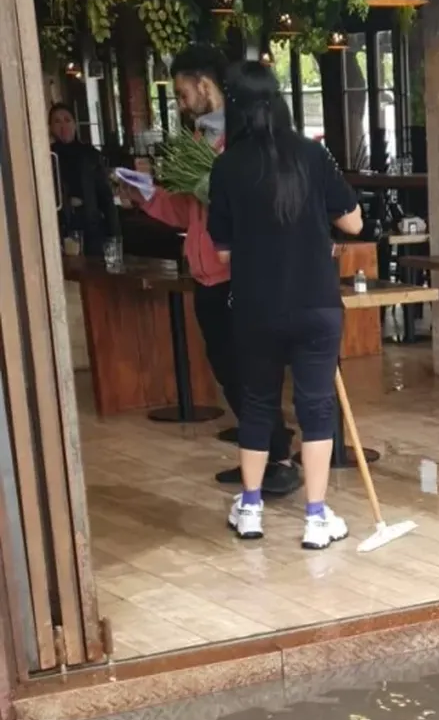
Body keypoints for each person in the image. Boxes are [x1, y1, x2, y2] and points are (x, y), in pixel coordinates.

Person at [123, 45, 299, 496]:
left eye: (183, 94)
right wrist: (144, 195)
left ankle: (277, 459)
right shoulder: (199, 145)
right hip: (205, 277)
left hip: (238, 277)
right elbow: (186, 213)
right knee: (228, 374)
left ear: (205, 86)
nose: (181, 105)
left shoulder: (243, 144)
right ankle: (264, 458)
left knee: (249, 375)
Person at [207, 61, 363, 548]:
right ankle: (316, 518)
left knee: (257, 403)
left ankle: (251, 509)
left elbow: (223, 249)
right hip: (316, 303)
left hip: (257, 307)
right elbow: (354, 223)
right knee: (316, 406)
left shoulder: (226, 166)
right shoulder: (313, 157)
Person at [49, 103, 119, 256]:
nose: (63, 125)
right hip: (59, 228)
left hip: (91, 227)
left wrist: (114, 235)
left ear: (74, 124)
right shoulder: (48, 156)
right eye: (57, 121)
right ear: (50, 127)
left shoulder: (90, 154)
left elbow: (105, 197)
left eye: (67, 120)